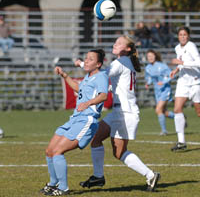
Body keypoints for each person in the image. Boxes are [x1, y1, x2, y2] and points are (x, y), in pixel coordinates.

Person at [76, 35, 160, 192]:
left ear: (127, 49)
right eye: (115, 42)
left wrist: (82, 63)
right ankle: (98, 176)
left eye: (119, 43)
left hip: (125, 113)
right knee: (96, 138)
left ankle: (150, 175)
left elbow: (102, 74)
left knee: (119, 152)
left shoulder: (120, 62)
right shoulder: (125, 62)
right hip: (119, 111)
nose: (115, 44)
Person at [40, 49, 109, 196]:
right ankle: (53, 184)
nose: (86, 60)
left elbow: (104, 95)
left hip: (87, 120)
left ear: (98, 64)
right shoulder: (88, 77)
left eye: (90, 59)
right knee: (50, 151)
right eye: (86, 58)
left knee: (58, 152)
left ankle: (63, 188)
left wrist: (88, 103)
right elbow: (79, 88)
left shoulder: (101, 76)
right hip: (75, 118)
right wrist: (64, 75)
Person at [170, 27, 200, 151]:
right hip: (182, 82)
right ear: (178, 36)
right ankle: (181, 142)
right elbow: (181, 61)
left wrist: (182, 64)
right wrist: (176, 69)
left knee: (198, 112)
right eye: (180, 34)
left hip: (194, 82)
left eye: (185, 34)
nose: (183, 37)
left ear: (188, 36)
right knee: (177, 109)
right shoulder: (177, 48)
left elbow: (198, 62)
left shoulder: (191, 46)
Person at [145, 49, 174, 135]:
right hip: (157, 92)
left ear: (155, 56)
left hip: (165, 90)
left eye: (151, 56)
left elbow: (171, 75)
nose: (150, 58)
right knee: (163, 112)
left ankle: (164, 131)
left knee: (158, 109)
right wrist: (148, 83)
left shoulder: (162, 66)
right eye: (148, 56)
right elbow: (149, 78)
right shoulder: (148, 68)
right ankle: (180, 118)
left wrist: (164, 82)